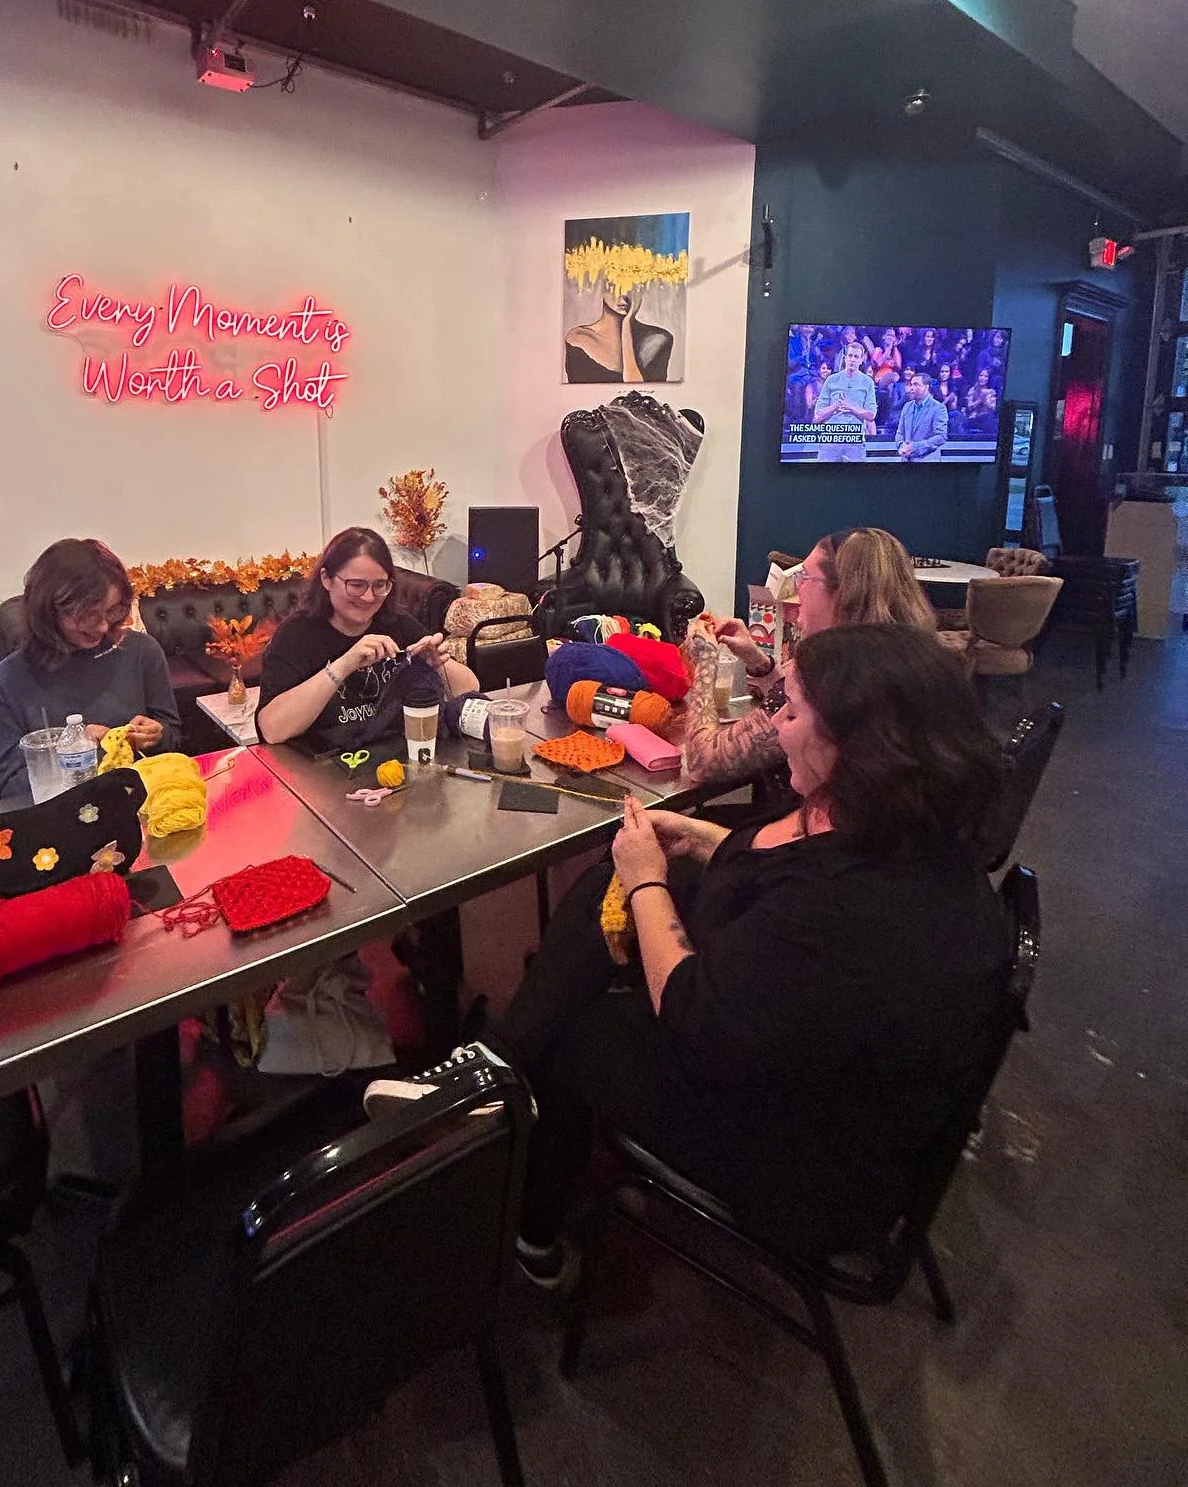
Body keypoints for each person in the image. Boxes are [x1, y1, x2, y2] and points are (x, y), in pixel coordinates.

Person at [366, 626, 1013, 1281]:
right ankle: (497, 1062)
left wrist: (647, 878)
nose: (779, 728)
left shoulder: (842, 910)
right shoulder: (918, 836)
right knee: (616, 887)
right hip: (831, 1080)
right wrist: (698, 841)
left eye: (791, 713)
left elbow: (695, 1016)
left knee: (578, 1030)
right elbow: (789, 878)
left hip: (813, 1172)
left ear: (854, 747)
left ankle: (533, 1226)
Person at [682, 527, 934, 789]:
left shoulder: (831, 675)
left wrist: (705, 661)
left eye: (805, 577)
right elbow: (793, 702)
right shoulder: (902, 659)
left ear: (843, 594)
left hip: (807, 822)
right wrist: (758, 661)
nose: (797, 587)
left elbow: (704, 763)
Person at [0, 538, 179, 802]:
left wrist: (158, 735)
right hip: (56, 821)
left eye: (112, 611)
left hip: (140, 808)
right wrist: (79, 751)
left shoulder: (141, 653)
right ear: (47, 610)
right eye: (87, 615)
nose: (102, 627)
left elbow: (173, 737)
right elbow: (9, 787)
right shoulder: (8, 681)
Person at [256, 527, 479, 749]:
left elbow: (469, 691)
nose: (368, 597)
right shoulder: (296, 635)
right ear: (326, 579)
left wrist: (439, 663)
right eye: (356, 585)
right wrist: (344, 665)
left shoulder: (397, 623)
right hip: (324, 767)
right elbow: (272, 730)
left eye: (379, 585)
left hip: (392, 759)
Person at [565, 290, 674, 383]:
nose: (623, 297)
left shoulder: (659, 339)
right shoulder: (578, 337)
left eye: (631, 287)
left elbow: (640, 393)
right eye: (615, 287)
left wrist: (626, 326)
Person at [811, 339, 877, 462]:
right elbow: (818, 415)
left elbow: (871, 415)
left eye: (856, 356)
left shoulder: (868, 382)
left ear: (861, 359)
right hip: (831, 440)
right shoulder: (831, 380)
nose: (852, 359)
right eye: (850, 356)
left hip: (854, 442)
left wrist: (850, 407)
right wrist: (836, 406)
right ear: (845, 357)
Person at [896, 370, 949, 461]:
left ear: (926, 387)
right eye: (911, 384)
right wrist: (902, 445)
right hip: (906, 461)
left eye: (916, 385)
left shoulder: (938, 408)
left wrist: (915, 447)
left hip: (928, 461)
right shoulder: (907, 406)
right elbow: (900, 432)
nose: (912, 388)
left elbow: (941, 437)